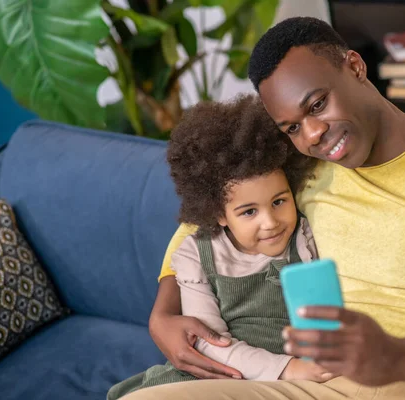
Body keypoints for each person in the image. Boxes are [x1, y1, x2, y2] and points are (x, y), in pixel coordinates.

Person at [127, 17, 405, 400]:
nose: (312, 135)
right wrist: (164, 313)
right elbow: (215, 215)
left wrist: (400, 357)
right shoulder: (305, 166)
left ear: (356, 67)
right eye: (291, 127)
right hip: (314, 381)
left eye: (317, 105)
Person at [108, 94, 331, 399]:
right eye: (249, 211)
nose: (271, 222)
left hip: (292, 378)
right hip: (221, 371)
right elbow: (209, 342)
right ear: (218, 214)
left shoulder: (303, 235)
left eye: (279, 202)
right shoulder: (194, 255)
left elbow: (322, 317)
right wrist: (287, 367)